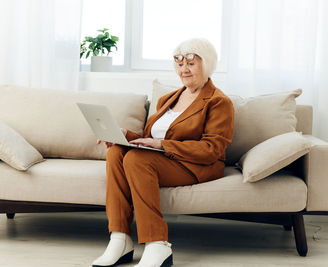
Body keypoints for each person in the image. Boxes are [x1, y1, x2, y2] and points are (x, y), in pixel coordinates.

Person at [92, 38, 234, 267]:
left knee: (137, 160)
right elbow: (152, 137)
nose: (183, 70)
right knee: (116, 153)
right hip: (161, 158)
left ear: (206, 64)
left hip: (195, 165)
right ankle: (120, 238)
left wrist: (163, 146)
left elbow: (212, 150)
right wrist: (123, 135)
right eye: (179, 63)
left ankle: (157, 244)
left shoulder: (218, 102)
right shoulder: (169, 98)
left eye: (190, 63)